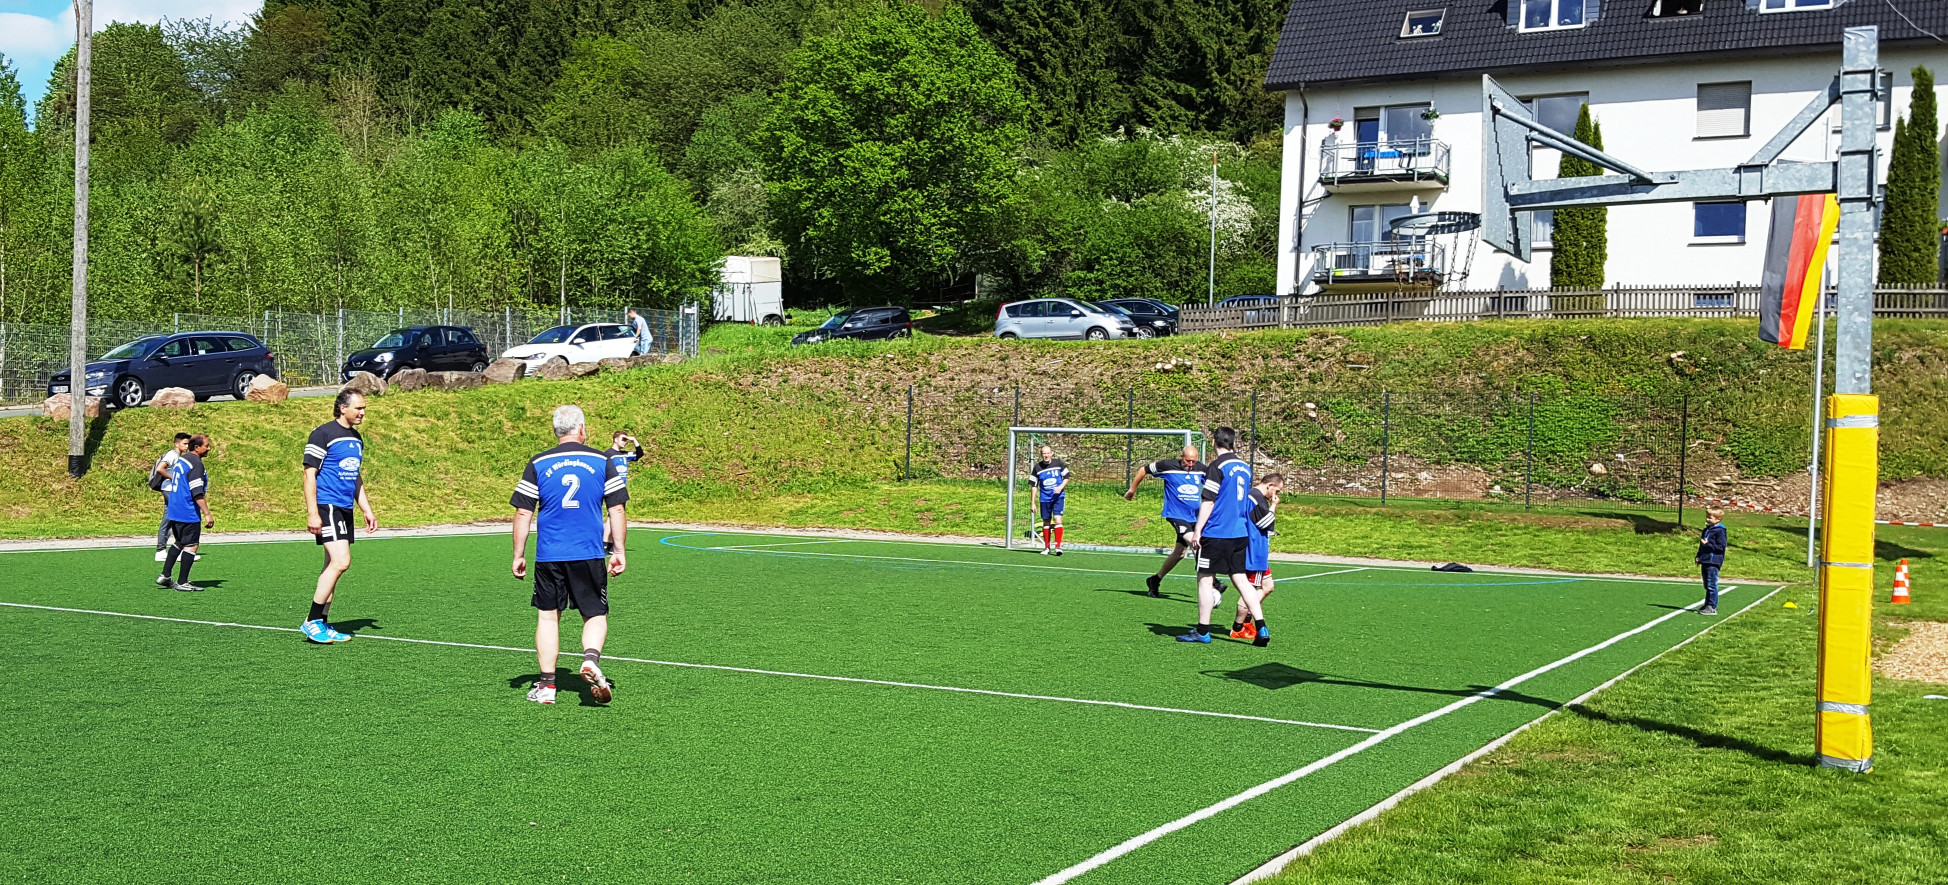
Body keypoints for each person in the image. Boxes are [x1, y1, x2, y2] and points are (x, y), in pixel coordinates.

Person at [511, 405, 628, 705]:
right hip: (588, 552)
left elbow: (523, 512)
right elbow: (616, 509)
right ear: (582, 429)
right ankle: (590, 659)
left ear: (556, 431)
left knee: (548, 618)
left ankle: (547, 686)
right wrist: (618, 550)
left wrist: (518, 554)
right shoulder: (602, 460)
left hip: (550, 554)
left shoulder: (539, 462)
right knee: (595, 614)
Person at [1178, 426, 1270, 647]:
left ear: (1214, 443)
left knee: (1205, 579)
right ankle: (1262, 627)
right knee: (1241, 580)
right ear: (1233, 443)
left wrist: (1197, 530)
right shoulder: (1245, 468)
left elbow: (1209, 500)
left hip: (1217, 532)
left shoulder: (1217, 466)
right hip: (1239, 532)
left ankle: (1203, 631)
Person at [301, 391, 378, 644]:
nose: (363, 413)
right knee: (341, 562)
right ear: (343, 408)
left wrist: (366, 509)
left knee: (331, 566)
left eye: (364, 408)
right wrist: (313, 512)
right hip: (328, 505)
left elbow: (355, 476)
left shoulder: (356, 438)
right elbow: (309, 474)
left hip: (345, 507)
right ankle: (312, 621)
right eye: (358, 408)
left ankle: (322, 623)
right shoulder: (323, 434)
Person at [1126, 445, 1202, 597]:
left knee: (1180, 553)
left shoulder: (1201, 469)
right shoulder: (1167, 466)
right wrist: (1132, 490)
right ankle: (1212, 583)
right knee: (1196, 543)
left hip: (1195, 517)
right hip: (1176, 515)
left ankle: (1155, 580)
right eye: (1187, 461)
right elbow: (1143, 470)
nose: (1190, 464)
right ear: (1181, 457)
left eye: (1193, 461)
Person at [156, 435, 213, 591]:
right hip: (187, 510)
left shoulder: (183, 459)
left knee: (180, 542)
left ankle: (165, 575)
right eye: (206, 445)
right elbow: (197, 492)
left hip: (174, 507)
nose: (209, 448)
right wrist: (207, 513)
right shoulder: (196, 464)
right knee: (192, 545)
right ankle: (182, 582)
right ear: (197, 447)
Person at [1231, 474, 1285, 639]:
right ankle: (1238, 627)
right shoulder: (1257, 499)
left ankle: (1246, 619)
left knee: (1268, 586)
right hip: (1254, 550)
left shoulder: (1251, 495)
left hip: (1256, 549)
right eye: (1277, 490)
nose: (1277, 494)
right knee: (1250, 590)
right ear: (1269, 486)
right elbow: (1266, 524)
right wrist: (1274, 506)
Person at [151, 433, 191, 561]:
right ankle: (181, 549)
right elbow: (160, 469)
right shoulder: (172, 455)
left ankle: (161, 551)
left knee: (168, 519)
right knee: (180, 516)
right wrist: (174, 478)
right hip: (169, 489)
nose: (187, 446)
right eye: (185, 443)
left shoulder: (178, 456)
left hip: (170, 489)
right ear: (176, 444)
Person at [602, 431, 643, 553]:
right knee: (612, 517)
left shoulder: (624, 454)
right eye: (623, 439)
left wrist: (634, 440)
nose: (625, 442)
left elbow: (640, 454)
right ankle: (605, 545)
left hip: (621, 489)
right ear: (615, 439)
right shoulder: (609, 454)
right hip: (613, 488)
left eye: (626, 440)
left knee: (614, 517)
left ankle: (609, 545)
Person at [1032, 445, 1071, 555]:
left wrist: (1060, 487)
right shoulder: (1037, 468)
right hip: (1045, 499)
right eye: (1044, 453)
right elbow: (1034, 486)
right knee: (1046, 521)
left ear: (1052, 453)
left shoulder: (1058, 464)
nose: (1046, 455)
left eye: (1048, 453)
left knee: (1058, 519)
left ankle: (1058, 547)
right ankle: (1047, 548)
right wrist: (1033, 502)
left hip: (1058, 497)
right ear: (1041, 454)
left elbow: (1067, 477)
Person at [1696, 509, 1727, 615]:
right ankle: (1707, 604)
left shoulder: (1720, 531)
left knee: (1711, 584)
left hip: (1713, 561)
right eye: (1707, 517)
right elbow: (1702, 546)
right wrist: (1699, 556)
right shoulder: (1706, 530)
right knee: (1706, 584)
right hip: (1705, 560)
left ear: (1718, 519)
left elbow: (1721, 547)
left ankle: (1712, 606)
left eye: (1710, 517)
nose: (1707, 519)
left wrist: (1708, 544)